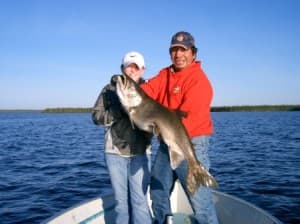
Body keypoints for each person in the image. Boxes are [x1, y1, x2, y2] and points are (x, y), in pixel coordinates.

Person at [141, 31, 219, 224]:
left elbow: (184, 120)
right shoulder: (165, 74)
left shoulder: (199, 81)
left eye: (183, 50)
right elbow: (147, 91)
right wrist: (131, 93)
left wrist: (154, 117)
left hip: (190, 145)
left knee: (200, 202)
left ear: (193, 53)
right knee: (158, 192)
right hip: (166, 144)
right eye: (174, 50)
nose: (178, 55)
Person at [92, 51, 152, 224]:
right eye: (129, 67)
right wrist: (116, 111)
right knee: (120, 203)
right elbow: (96, 117)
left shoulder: (150, 89)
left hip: (141, 153)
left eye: (136, 67)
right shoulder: (109, 90)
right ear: (122, 68)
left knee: (140, 201)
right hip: (114, 152)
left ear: (142, 70)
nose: (132, 71)